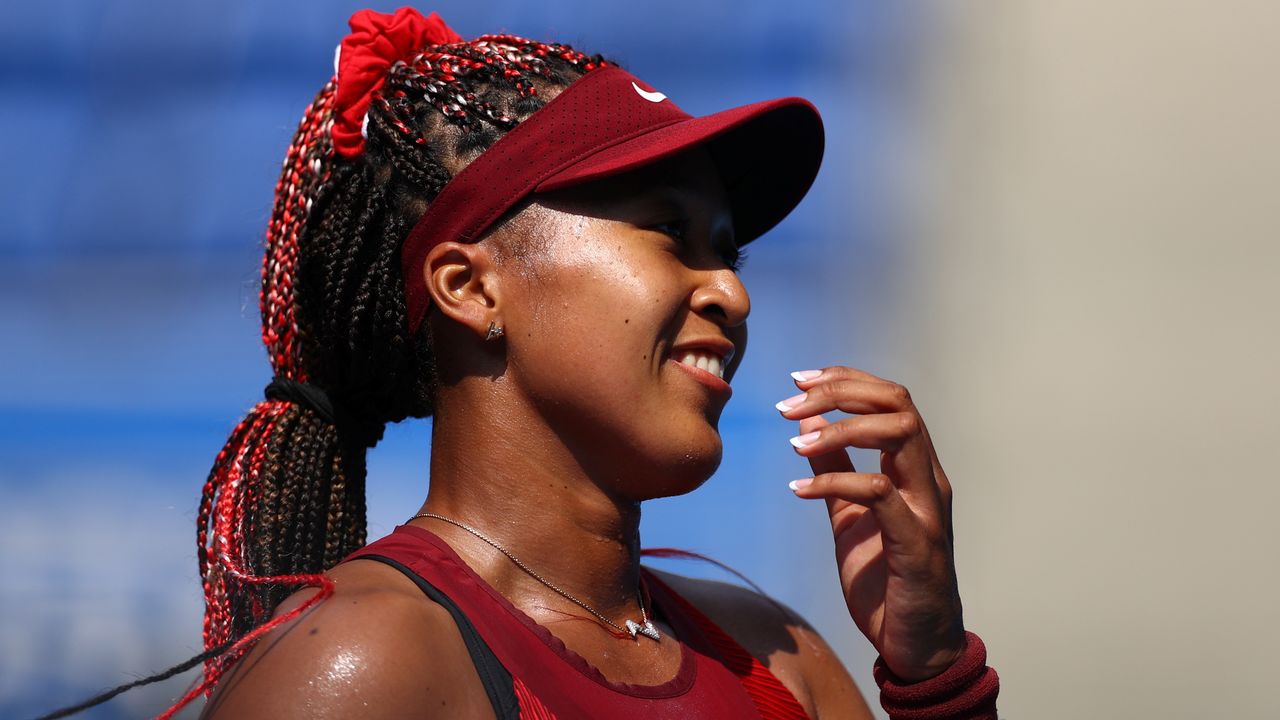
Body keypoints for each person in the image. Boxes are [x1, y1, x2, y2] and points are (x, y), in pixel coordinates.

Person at [159, 7, 997, 719]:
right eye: (669, 234)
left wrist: (932, 677)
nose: (731, 298)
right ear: (470, 288)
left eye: (728, 256)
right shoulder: (364, 667)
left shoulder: (779, 658)